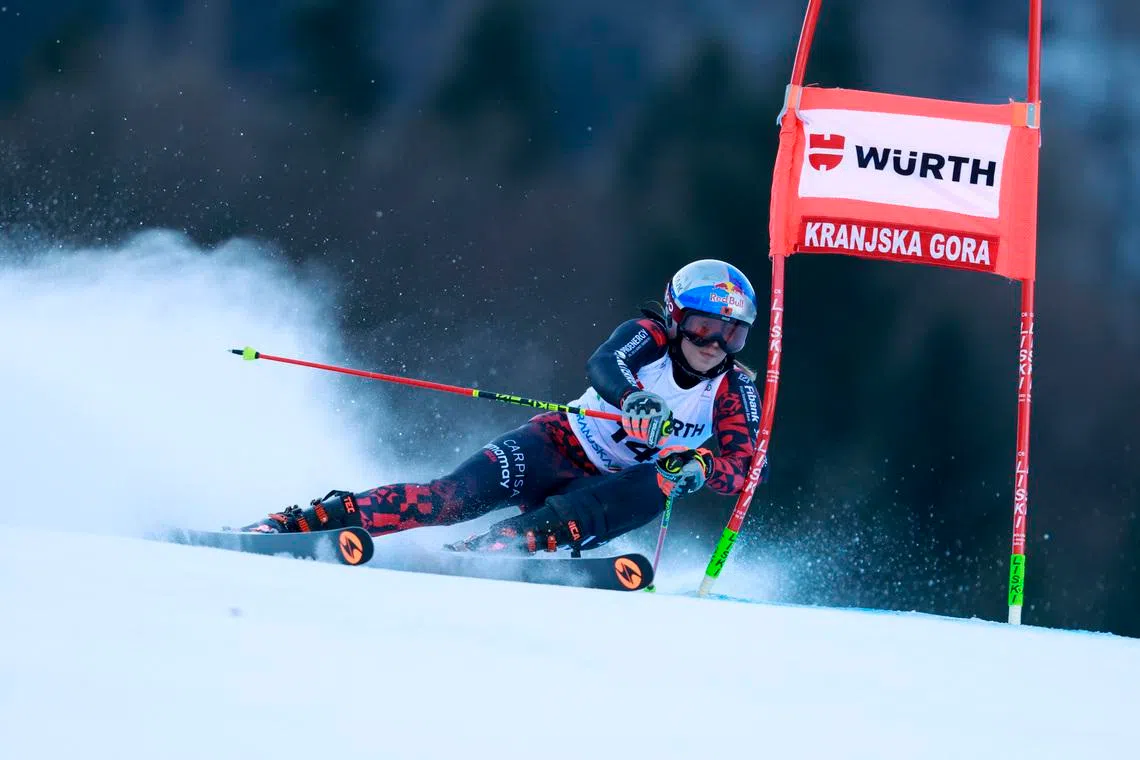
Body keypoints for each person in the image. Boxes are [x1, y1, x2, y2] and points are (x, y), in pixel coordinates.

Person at [241, 258, 766, 555]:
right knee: (446, 499)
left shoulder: (734, 391)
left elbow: (743, 471)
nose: (714, 344)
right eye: (703, 326)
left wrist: (699, 466)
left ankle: (504, 545)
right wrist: (632, 397)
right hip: (558, 443)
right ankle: (308, 521)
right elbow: (604, 363)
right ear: (677, 318)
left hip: (605, 491)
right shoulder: (647, 336)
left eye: (732, 334)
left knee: (660, 481)